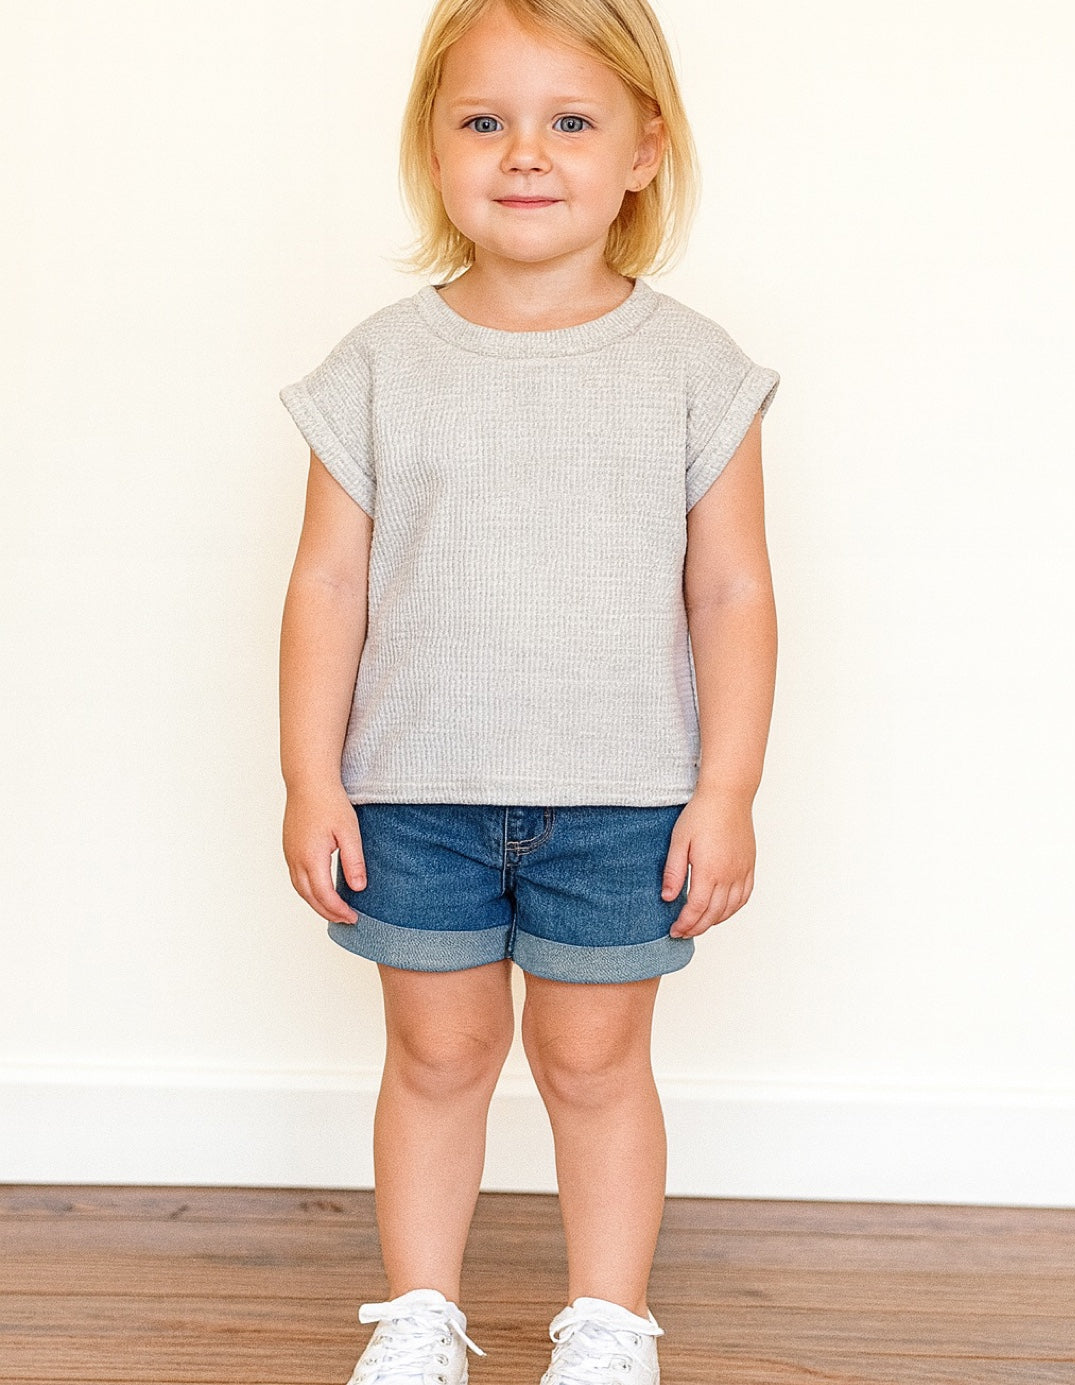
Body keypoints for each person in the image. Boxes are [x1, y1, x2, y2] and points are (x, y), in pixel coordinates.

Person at [278, 0, 780, 1381]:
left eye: (570, 122)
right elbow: (327, 586)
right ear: (433, 150)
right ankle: (423, 1312)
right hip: (415, 796)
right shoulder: (378, 363)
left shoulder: (694, 369)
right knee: (436, 1059)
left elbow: (731, 591)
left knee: (594, 1064)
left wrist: (725, 788)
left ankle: (609, 1323)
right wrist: (312, 775)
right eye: (483, 121)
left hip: (622, 801)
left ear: (642, 150)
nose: (525, 155)